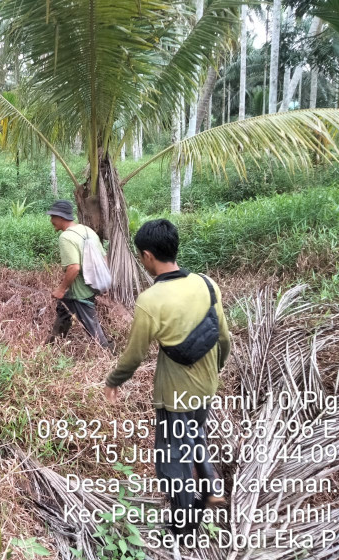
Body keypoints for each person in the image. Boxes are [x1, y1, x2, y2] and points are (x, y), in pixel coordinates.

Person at [104, 219, 231, 534]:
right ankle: (211, 485)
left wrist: (114, 380)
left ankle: (183, 526)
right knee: (195, 433)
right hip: (206, 386)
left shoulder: (151, 300)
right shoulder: (206, 284)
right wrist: (213, 371)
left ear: (147, 256)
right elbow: (224, 338)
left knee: (172, 460)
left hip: (175, 394)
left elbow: (134, 355)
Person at [46, 200, 113, 350]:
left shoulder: (66, 237)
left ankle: (108, 352)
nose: (51, 221)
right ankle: (53, 345)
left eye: (52, 217)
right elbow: (104, 258)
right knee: (63, 306)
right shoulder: (87, 230)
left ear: (60, 217)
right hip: (91, 286)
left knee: (92, 328)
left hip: (81, 292)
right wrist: (104, 282)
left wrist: (61, 289)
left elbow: (74, 268)